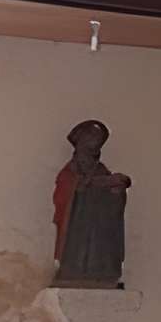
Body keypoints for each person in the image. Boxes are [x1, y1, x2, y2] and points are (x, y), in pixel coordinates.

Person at [52, 119, 131, 286]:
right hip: (77, 224)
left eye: (98, 141)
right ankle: (72, 270)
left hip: (97, 227)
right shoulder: (71, 169)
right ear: (81, 142)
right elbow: (65, 190)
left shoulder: (100, 169)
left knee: (97, 251)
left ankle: (102, 271)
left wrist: (116, 191)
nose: (95, 144)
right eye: (91, 139)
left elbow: (111, 197)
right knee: (77, 253)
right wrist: (87, 185)